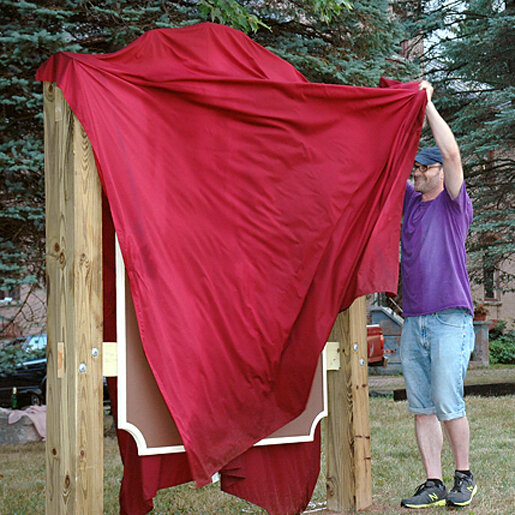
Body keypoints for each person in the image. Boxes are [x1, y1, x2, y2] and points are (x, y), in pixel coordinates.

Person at [399, 81, 477, 509]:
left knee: (448, 401)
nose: (417, 175)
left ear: (439, 174)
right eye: (415, 172)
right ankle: (433, 482)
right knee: (422, 407)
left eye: (422, 170)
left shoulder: (452, 201)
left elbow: (450, 154)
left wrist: (426, 104)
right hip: (414, 319)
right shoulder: (411, 203)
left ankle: (464, 476)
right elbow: (388, 167)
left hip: (450, 317)